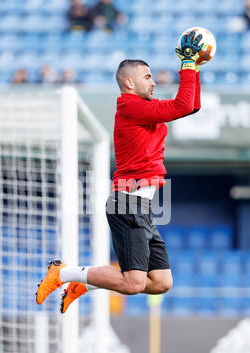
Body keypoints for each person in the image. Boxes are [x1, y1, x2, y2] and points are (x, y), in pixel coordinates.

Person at [36, 31, 203, 313]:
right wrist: (186, 65)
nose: (153, 82)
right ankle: (63, 274)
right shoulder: (130, 106)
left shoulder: (143, 108)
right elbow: (183, 105)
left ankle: (83, 283)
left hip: (142, 206)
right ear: (129, 82)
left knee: (161, 282)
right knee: (134, 283)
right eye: (147, 77)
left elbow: (192, 106)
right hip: (128, 201)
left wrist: (194, 67)